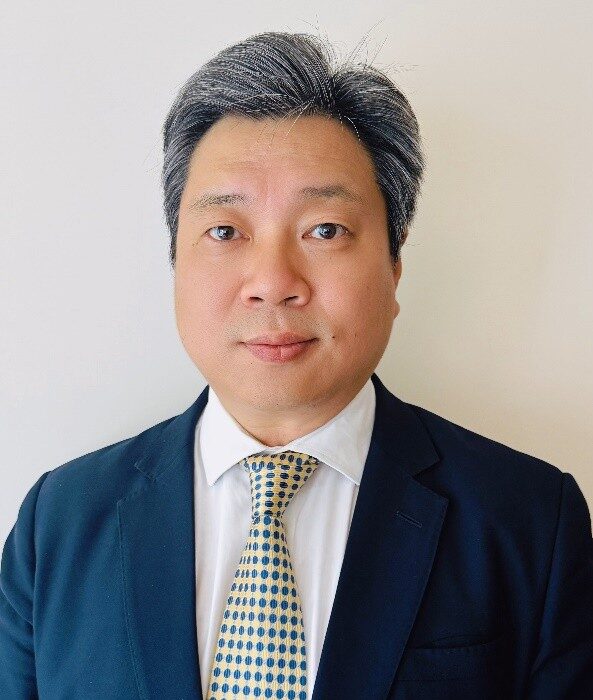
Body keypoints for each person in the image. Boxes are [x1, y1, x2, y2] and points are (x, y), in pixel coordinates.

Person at [1, 31, 591, 700]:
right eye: (225, 231)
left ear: (394, 264)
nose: (272, 283)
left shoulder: (528, 522)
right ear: (175, 260)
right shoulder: (59, 523)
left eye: (325, 230)